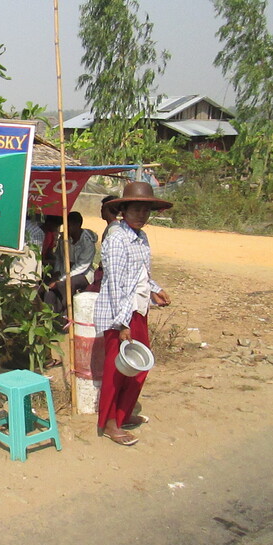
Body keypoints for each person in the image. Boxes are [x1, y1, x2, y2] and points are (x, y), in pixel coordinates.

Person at [94, 182, 172, 446]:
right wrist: (121, 322)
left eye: (145, 210)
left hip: (138, 310)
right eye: (136, 209)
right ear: (124, 210)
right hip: (121, 314)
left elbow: (139, 274)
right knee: (117, 369)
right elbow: (115, 283)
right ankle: (109, 423)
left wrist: (155, 290)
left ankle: (124, 413)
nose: (141, 215)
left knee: (139, 367)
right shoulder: (116, 238)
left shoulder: (141, 237)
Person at [43, 211, 97, 317]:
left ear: (78, 225)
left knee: (69, 283)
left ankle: (67, 314)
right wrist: (57, 273)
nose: (66, 228)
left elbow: (82, 266)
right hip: (64, 271)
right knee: (49, 284)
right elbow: (59, 257)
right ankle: (50, 313)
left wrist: (62, 279)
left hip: (83, 274)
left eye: (69, 225)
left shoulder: (87, 242)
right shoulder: (64, 239)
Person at [86, 195, 120, 293]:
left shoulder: (114, 230)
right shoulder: (111, 227)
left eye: (102, 208)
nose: (101, 211)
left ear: (106, 209)